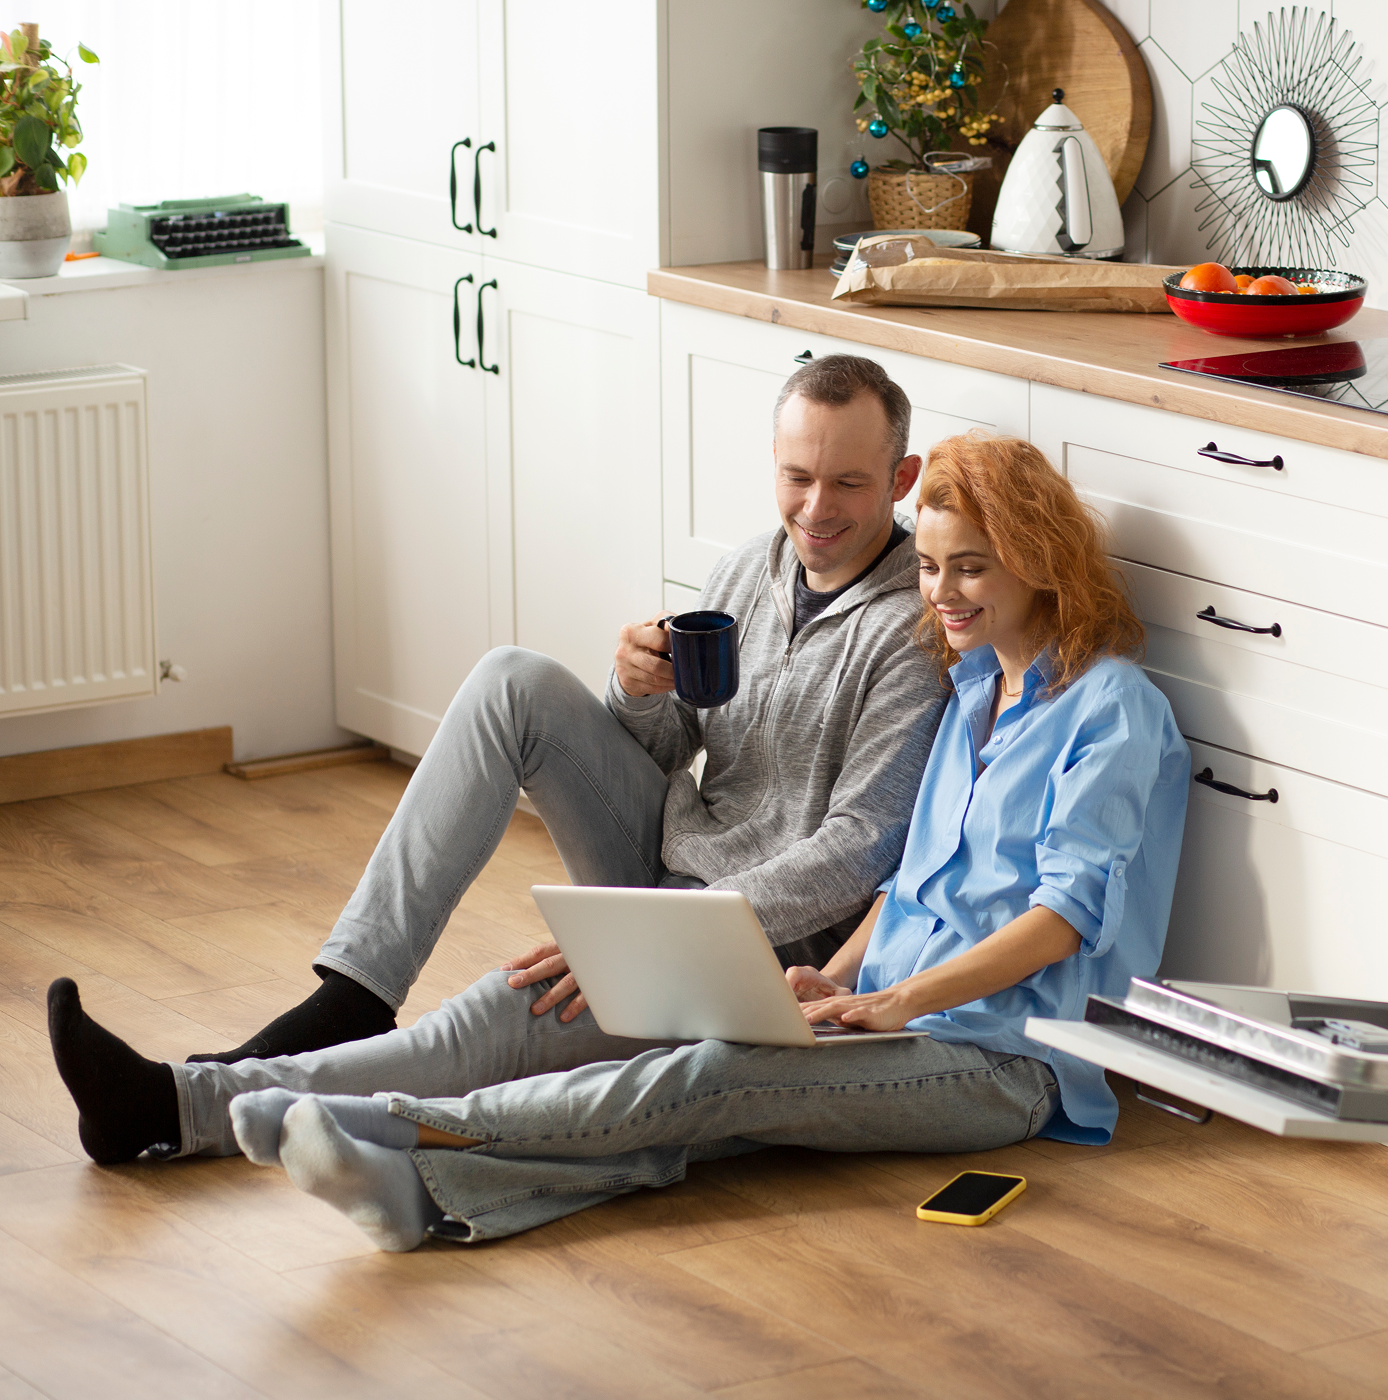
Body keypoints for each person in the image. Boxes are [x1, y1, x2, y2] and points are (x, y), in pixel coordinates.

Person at [46, 432, 1190, 1253]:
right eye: (933, 565)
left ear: (1038, 555)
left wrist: (878, 1000)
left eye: (968, 566)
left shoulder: (1107, 707)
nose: (938, 590)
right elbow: (906, 880)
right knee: (598, 1059)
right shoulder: (971, 684)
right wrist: (831, 979)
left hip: (1005, 1060)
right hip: (843, 986)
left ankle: (381, 1128)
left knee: (698, 1084)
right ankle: (387, 1174)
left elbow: (1055, 918)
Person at [46, 353, 952, 1166]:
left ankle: (179, 1105)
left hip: (764, 941)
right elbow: (672, 748)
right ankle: (354, 990)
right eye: (797, 478)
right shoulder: (746, 570)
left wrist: (676, 929)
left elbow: (862, 845)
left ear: (901, 478)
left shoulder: (911, 631)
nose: (817, 509)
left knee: (500, 1012)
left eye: (849, 484)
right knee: (510, 679)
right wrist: (636, 687)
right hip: (674, 873)